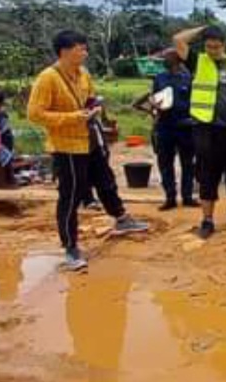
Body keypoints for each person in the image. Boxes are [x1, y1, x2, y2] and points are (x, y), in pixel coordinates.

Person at [27, 30, 149, 271]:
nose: (85, 53)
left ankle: (122, 218)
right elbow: (35, 114)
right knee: (71, 195)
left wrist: (94, 107)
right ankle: (71, 247)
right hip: (67, 146)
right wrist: (73, 117)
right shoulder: (47, 78)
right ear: (64, 51)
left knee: (106, 181)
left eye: (84, 48)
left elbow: (90, 98)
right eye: (80, 48)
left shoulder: (83, 74)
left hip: (90, 139)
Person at [172, 25, 226, 238]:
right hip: (207, 128)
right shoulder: (197, 60)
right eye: (209, 46)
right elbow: (178, 39)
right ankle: (207, 220)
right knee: (208, 173)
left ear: (224, 45)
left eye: (216, 47)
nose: (212, 51)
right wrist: (202, 29)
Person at [149, 48, 196, 211]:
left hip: (185, 126)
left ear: (176, 59)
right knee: (165, 163)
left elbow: (195, 101)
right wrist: (155, 106)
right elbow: (153, 99)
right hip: (165, 126)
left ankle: (188, 196)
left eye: (166, 56)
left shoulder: (188, 78)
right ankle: (170, 197)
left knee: (188, 163)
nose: (163, 59)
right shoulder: (159, 78)